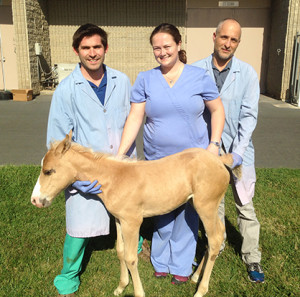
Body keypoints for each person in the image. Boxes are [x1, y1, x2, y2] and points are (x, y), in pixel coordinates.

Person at [117, 23, 225, 285]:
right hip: (158, 160)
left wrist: (214, 144)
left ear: (178, 45)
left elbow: (217, 110)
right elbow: (135, 117)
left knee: (189, 212)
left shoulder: (199, 77)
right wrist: (120, 154)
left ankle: (181, 263)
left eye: (167, 46)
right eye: (157, 48)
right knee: (161, 211)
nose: (162, 52)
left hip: (192, 161)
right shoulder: (145, 78)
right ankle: (160, 260)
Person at [33, 23, 135, 297]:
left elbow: (130, 122)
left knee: (128, 213)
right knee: (79, 226)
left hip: (120, 165)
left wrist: (129, 158)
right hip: (84, 172)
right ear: (76, 51)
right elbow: (56, 142)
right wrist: (78, 181)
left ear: (106, 48)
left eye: (97, 47)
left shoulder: (122, 81)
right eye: (86, 48)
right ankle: (69, 274)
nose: (92, 53)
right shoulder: (67, 89)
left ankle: (134, 245)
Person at [193, 18, 265, 283]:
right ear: (214, 36)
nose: (228, 43)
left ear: (238, 43)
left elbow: (249, 117)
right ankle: (217, 245)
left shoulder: (247, 73)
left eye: (234, 40)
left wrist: (238, 152)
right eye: (224, 37)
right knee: (214, 203)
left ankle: (252, 256)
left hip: (239, 150)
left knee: (244, 204)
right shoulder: (196, 69)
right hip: (208, 151)